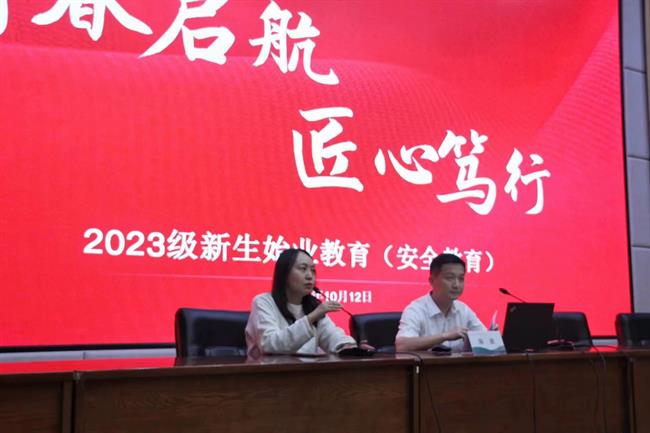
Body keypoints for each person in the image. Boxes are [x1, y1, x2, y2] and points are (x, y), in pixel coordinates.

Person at [245, 248, 357, 357]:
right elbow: (270, 345)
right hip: (271, 368)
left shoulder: (312, 306)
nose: (309, 276)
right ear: (284, 274)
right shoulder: (263, 302)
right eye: (303, 269)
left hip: (306, 369)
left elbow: (332, 336)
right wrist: (312, 317)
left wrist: (351, 347)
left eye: (312, 270)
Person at [395, 253, 486, 352]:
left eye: (461, 279)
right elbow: (402, 346)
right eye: (450, 278)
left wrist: (492, 337)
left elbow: (484, 338)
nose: (456, 285)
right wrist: (445, 336)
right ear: (432, 280)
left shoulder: (464, 310)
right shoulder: (415, 310)